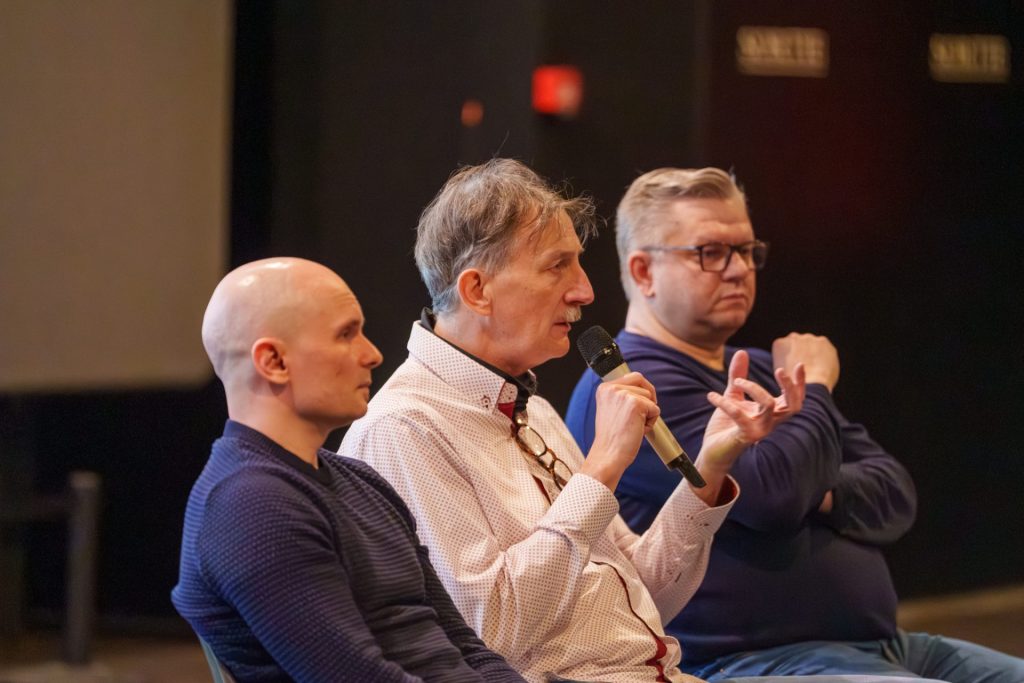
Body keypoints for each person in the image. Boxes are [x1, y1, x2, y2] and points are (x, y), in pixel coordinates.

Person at [339, 158, 829, 683]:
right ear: (478, 290)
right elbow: (490, 634)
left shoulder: (533, 410)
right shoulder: (404, 428)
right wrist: (601, 469)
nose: (585, 291)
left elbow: (645, 595)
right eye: (557, 266)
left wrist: (710, 464)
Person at [565, 167, 1024, 682]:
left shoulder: (764, 367)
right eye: (710, 252)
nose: (739, 269)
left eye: (746, 251)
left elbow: (895, 493)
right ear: (644, 272)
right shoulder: (630, 389)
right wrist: (819, 388)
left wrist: (815, 488)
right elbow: (775, 498)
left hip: (885, 646)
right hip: (750, 663)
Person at [172, 257, 524, 682]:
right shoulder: (251, 507)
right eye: (345, 335)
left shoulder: (361, 482)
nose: (372, 355)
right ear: (274, 361)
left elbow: (466, 647)